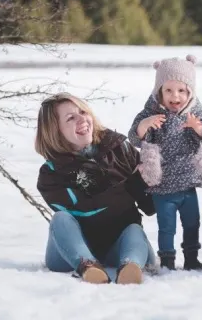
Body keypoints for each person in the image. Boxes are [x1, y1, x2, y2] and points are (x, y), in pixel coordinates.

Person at [34, 93, 156, 284]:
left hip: (119, 245)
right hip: (68, 252)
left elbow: (150, 206)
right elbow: (85, 207)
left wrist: (154, 175)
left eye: (83, 112)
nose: (82, 119)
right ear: (55, 130)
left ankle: (131, 266)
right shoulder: (52, 173)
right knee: (61, 219)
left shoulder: (120, 150)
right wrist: (126, 185)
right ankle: (87, 266)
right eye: (71, 118)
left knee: (134, 229)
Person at [128, 55, 202, 271]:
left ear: (190, 92)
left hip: (188, 181)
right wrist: (144, 126)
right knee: (166, 226)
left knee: (192, 223)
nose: (175, 96)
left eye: (181, 90)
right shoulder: (150, 112)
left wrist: (199, 128)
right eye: (168, 90)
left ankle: (191, 257)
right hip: (162, 184)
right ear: (159, 90)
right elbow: (134, 136)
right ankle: (168, 260)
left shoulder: (195, 111)